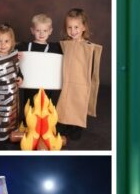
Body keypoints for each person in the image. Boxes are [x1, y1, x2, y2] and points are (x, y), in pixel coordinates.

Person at [56, 8, 102, 142]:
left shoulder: (88, 47)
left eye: (76, 27)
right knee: (64, 105)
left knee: (77, 105)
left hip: (80, 83)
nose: (73, 30)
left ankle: (75, 130)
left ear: (84, 27)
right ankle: (63, 126)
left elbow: (91, 68)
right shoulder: (65, 45)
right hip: (66, 82)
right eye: (69, 27)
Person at [0, 24, 24, 147]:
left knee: (13, 117)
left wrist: (20, 78)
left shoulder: (13, 57)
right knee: (1, 119)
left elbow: (18, 70)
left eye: (6, 41)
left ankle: (11, 136)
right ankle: (0, 140)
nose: (3, 44)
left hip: (13, 96)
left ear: (11, 42)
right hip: (0, 98)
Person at [17, 13, 63, 108]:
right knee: (29, 106)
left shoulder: (55, 47)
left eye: (45, 30)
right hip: (29, 84)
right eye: (38, 30)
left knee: (46, 106)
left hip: (47, 84)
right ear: (32, 30)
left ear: (50, 31)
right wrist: (15, 55)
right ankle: (28, 122)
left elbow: (69, 50)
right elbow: (9, 50)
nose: (41, 34)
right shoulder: (24, 46)